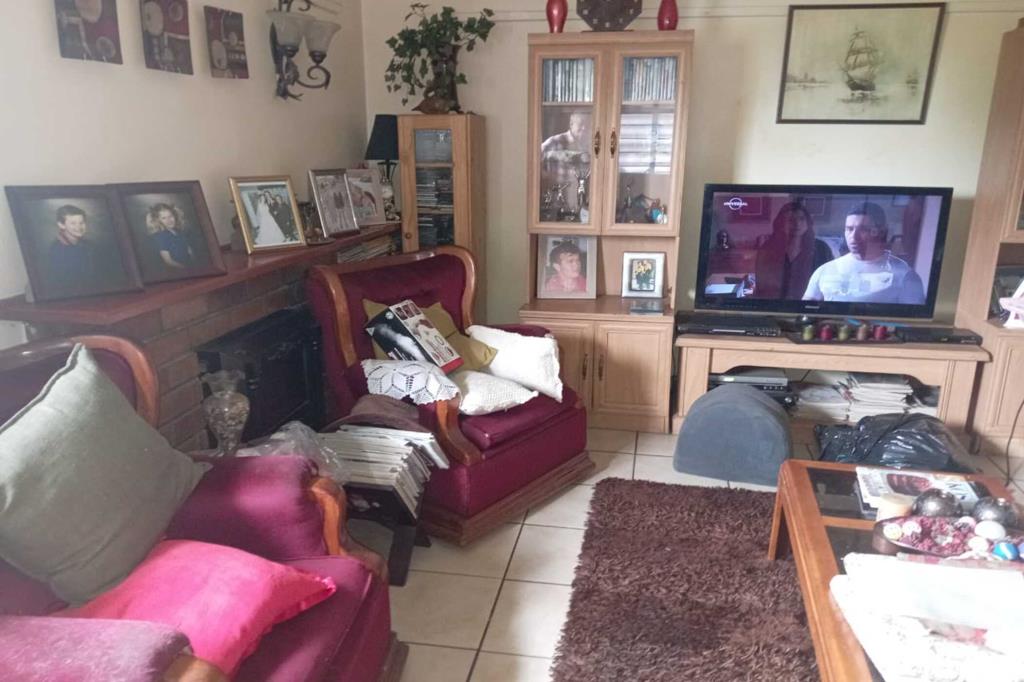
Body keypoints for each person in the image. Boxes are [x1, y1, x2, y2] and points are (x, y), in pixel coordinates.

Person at [803, 202, 925, 305]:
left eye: (863, 229)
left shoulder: (905, 276)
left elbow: (913, 321)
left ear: (880, 232)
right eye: (849, 229)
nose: (854, 237)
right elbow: (805, 312)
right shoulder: (825, 271)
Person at [755, 202, 833, 299]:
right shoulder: (768, 248)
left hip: (811, 304)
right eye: (791, 219)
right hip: (776, 305)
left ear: (808, 222)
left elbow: (830, 283)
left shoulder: (822, 248)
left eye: (802, 219)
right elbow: (762, 286)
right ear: (781, 223)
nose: (797, 224)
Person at [146, 202, 195, 269]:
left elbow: (189, 249)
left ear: (175, 216)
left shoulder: (179, 232)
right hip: (179, 269)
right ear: (158, 221)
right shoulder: (161, 236)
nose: (169, 220)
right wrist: (185, 268)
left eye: (170, 216)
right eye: (164, 218)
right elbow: (168, 261)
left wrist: (194, 262)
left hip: (190, 264)